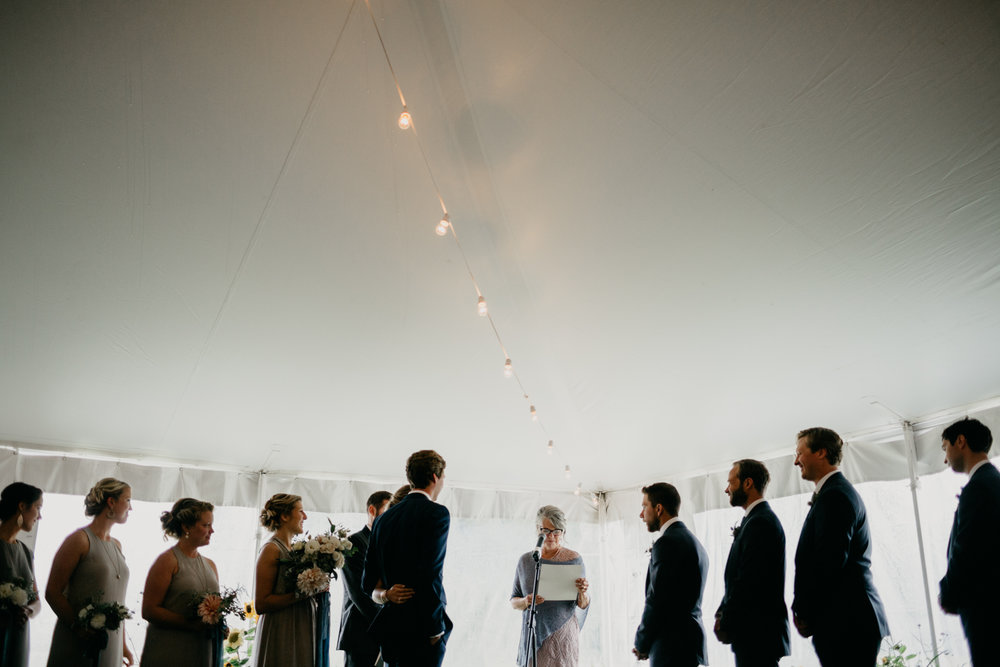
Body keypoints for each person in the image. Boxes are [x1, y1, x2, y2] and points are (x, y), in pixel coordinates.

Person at [791, 427, 889, 666]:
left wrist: (804, 611)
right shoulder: (834, 492)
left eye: (800, 453)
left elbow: (829, 562)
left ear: (821, 452)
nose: (796, 461)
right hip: (847, 617)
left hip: (847, 620)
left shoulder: (835, 495)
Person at [363, 450, 451, 667]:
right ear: (434, 477)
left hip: (392, 629)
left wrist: (386, 595)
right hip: (422, 631)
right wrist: (435, 630)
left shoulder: (383, 520)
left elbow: (368, 582)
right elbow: (431, 572)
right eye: (443, 478)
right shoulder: (437, 513)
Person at [46, 477, 134, 667]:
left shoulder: (117, 545)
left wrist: (123, 645)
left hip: (111, 642)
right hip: (78, 641)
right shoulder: (79, 540)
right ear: (111, 502)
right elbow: (53, 592)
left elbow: (118, 601)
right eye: (127, 500)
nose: (131, 507)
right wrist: (78, 628)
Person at [714, 460, 790, 667]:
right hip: (752, 632)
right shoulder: (754, 520)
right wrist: (721, 612)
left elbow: (750, 580)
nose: (726, 489)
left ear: (748, 483)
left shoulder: (761, 522)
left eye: (731, 483)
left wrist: (726, 619)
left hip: (757, 631)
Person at [938, 417, 1000, 666]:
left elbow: (967, 551)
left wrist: (948, 593)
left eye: (945, 447)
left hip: (987, 609)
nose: (945, 458)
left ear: (960, 441)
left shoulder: (979, 487)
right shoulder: (991, 480)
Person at [633, 482, 708, 667]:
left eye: (644, 507)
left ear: (658, 509)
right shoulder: (695, 542)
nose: (641, 514)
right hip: (691, 644)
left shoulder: (667, 544)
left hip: (671, 648)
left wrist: (642, 642)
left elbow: (657, 600)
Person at [140, 498, 220, 667]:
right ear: (186, 527)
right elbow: (149, 610)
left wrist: (219, 626)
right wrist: (189, 624)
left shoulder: (211, 565)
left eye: (211, 525)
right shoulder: (167, 561)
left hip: (202, 650)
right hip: (170, 650)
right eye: (206, 525)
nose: (212, 530)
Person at [510, 505, 590, 667]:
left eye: (556, 531)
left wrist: (582, 592)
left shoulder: (574, 559)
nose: (551, 536)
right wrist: (527, 601)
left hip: (563, 637)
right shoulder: (526, 561)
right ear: (537, 529)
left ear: (563, 532)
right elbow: (513, 601)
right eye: (545, 530)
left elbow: (582, 604)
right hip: (533, 637)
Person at [254, 493, 317, 667]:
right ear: (284, 516)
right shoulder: (272, 550)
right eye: (301, 511)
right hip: (282, 629)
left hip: (300, 626)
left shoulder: (295, 550)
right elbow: (261, 603)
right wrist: (302, 594)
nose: (305, 517)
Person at [337, 490, 391, 667]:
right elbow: (359, 594)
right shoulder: (353, 544)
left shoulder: (389, 545)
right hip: (361, 633)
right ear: (372, 510)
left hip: (384, 635)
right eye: (387, 512)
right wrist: (390, 626)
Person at [0, 483, 44, 667]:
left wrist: (28, 610)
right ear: (22, 506)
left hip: (18, 635)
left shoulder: (26, 551)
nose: (40, 516)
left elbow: (36, 600)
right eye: (38, 507)